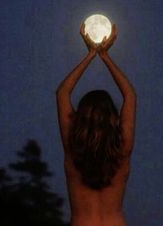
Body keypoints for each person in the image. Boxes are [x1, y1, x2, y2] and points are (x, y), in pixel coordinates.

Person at [56, 22, 136, 226]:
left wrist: (90, 54)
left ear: (80, 119)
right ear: (112, 118)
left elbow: (62, 93)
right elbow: (130, 95)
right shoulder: (122, 149)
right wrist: (105, 56)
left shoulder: (72, 150)